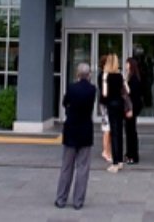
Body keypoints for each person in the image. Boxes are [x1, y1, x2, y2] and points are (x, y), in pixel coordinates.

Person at [54, 63, 96, 211]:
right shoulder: (92, 89)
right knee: (83, 168)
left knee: (67, 167)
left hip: (71, 130)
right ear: (89, 75)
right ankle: (78, 201)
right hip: (86, 131)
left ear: (77, 74)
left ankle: (61, 199)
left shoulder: (71, 88)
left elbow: (65, 103)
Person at [101, 54, 127, 173]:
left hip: (111, 105)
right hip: (120, 104)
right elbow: (127, 90)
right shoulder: (120, 75)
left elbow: (104, 94)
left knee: (114, 133)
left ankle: (115, 163)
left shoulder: (106, 75)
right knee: (119, 133)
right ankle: (120, 161)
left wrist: (105, 80)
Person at [124, 57, 143, 165]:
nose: (125, 66)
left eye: (127, 64)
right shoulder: (130, 76)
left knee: (131, 131)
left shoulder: (134, 78)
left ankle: (133, 155)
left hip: (132, 107)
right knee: (129, 131)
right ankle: (129, 153)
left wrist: (131, 110)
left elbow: (132, 94)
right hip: (129, 107)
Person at [97, 54, 112, 163]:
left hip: (105, 103)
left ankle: (107, 150)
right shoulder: (103, 75)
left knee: (108, 129)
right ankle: (106, 152)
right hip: (105, 104)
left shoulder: (103, 75)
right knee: (107, 128)